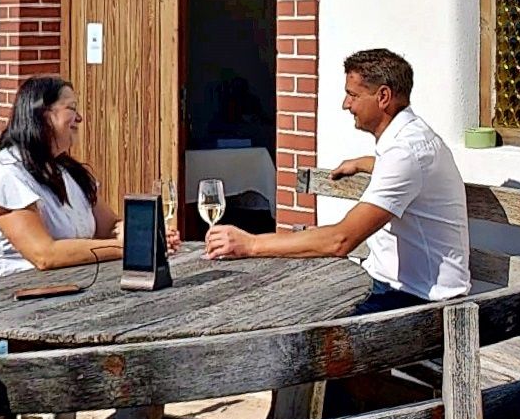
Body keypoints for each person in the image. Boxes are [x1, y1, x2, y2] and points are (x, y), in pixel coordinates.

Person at [201, 47, 469, 302]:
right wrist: (364, 163)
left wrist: (250, 244)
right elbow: (410, 171)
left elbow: (340, 241)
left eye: (353, 95)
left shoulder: (405, 152)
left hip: (418, 301)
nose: (345, 104)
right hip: (389, 285)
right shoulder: (411, 138)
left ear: (383, 97)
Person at [0, 76, 115, 284]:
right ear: (44, 115)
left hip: (58, 292)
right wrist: (128, 248)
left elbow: (110, 226)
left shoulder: (67, 170)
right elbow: (45, 255)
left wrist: (140, 236)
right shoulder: (6, 175)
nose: (79, 118)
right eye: (71, 108)